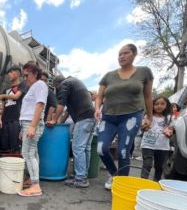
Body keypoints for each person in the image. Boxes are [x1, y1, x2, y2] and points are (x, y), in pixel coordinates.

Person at [95, 43, 153, 190]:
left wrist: (149, 117)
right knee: (101, 149)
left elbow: (148, 96)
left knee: (122, 151)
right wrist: (97, 108)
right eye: (120, 54)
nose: (122, 56)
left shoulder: (144, 72)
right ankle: (116, 175)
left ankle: (122, 185)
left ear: (134, 54)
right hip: (108, 117)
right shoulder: (109, 76)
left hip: (131, 116)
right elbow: (99, 96)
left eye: (125, 53)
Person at [47, 76, 95, 188]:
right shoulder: (75, 82)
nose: (56, 90)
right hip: (91, 117)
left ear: (58, 84)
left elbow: (61, 103)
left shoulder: (65, 84)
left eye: (55, 87)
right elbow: (68, 110)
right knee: (85, 148)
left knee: (78, 147)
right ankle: (83, 175)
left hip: (83, 118)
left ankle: (80, 178)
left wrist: (54, 120)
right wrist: (60, 122)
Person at [18, 61, 48, 197]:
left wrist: (32, 126)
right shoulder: (34, 87)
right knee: (33, 152)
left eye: (27, 75)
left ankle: (35, 186)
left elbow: (40, 105)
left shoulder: (40, 85)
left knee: (27, 153)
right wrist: (24, 128)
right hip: (28, 124)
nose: (25, 79)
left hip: (32, 123)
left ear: (35, 74)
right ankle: (32, 179)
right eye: (23, 76)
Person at [140, 96, 174, 181]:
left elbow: (171, 130)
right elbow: (142, 128)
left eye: (162, 104)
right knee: (147, 164)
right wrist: (144, 127)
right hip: (147, 145)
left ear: (166, 105)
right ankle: (142, 182)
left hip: (162, 147)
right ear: (152, 106)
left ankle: (156, 182)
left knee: (159, 166)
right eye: (156, 104)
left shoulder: (169, 118)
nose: (159, 106)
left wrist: (169, 133)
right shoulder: (148, 116)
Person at [0, 66, 27, 152]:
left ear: (17, 74)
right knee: (5, 145)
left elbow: (16, 96)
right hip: (5, 120)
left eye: (11, 72)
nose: (8, 75)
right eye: (8, 73)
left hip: (16, 120)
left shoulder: (22, 85)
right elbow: (1, 106)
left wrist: (3, 96)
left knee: (15, 145)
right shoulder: (6, 89)